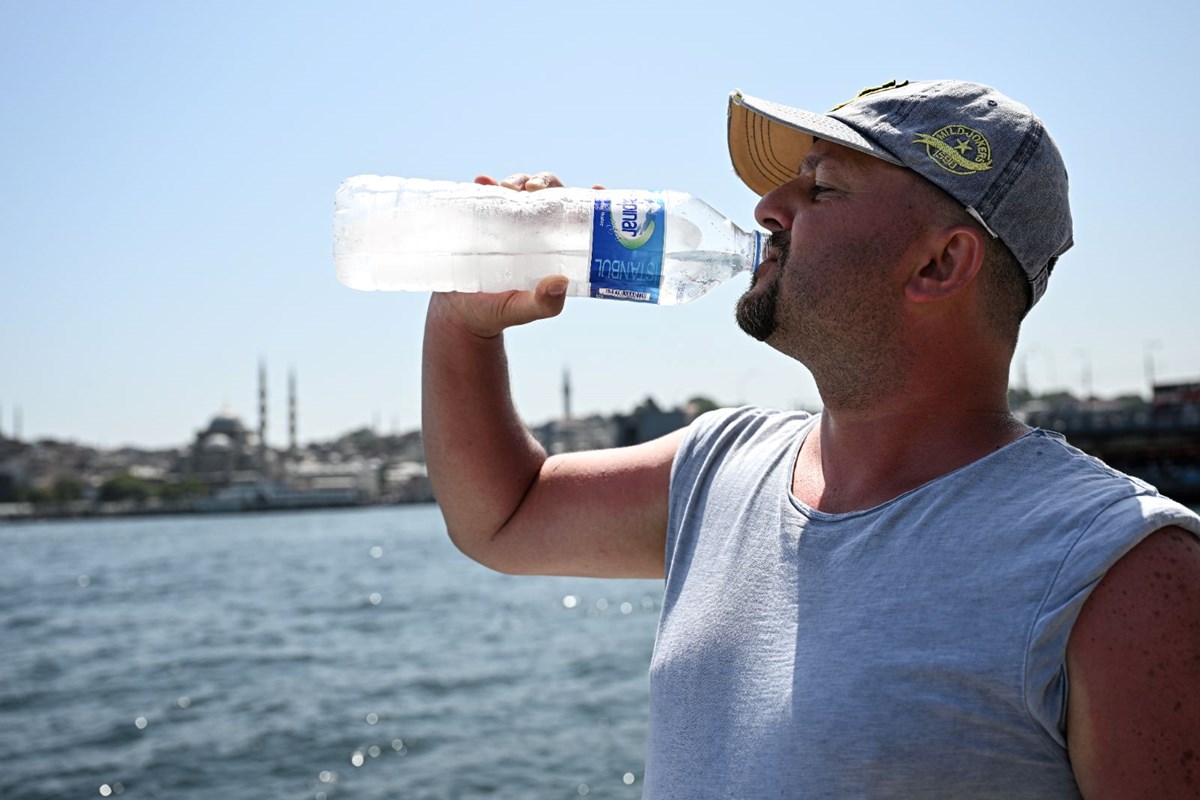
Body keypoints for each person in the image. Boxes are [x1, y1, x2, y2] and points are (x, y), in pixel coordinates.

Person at [421, 79, 1200, 798]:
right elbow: (503, 515)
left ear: (939, 262)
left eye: (821, 187)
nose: (766, 207)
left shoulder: (1119, 565)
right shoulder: (721, 465)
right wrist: (464, 322)